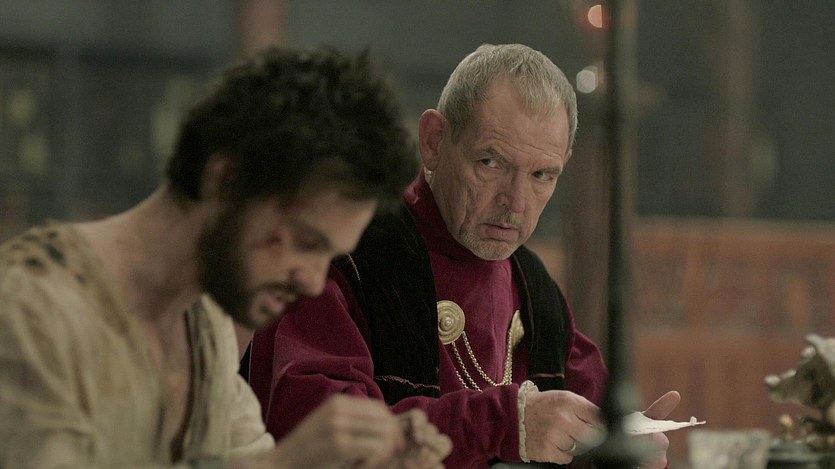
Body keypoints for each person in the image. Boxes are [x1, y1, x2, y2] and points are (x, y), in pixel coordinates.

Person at [0, 45, 452, 469]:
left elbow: (244, 458)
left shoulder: (205, 322)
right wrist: (287, 463)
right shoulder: (31, 307)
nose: (314, 282)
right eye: (305, 241)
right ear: (226, 179)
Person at [246, 43, 680, 468]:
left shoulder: (535, 289)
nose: (516, 202)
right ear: (434, 141)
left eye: (542, 175)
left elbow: (590, 423)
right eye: (491, 162)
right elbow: (319, 439)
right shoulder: (345, 256)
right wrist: (502, 423)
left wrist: (620, 451)